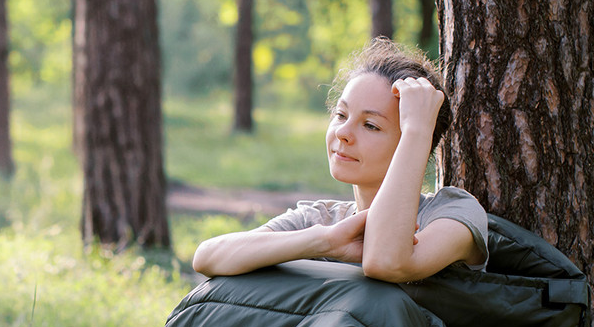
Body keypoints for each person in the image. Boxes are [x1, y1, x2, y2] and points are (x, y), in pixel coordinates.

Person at [192, 38, 487, 282]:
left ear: (415, 142)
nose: (343, 133)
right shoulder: (322, 220)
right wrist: (327, 241)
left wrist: (419, 130)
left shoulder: (452, 212)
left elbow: (386, 262)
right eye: (341, 115)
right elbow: (208, 257)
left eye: (371, 125)